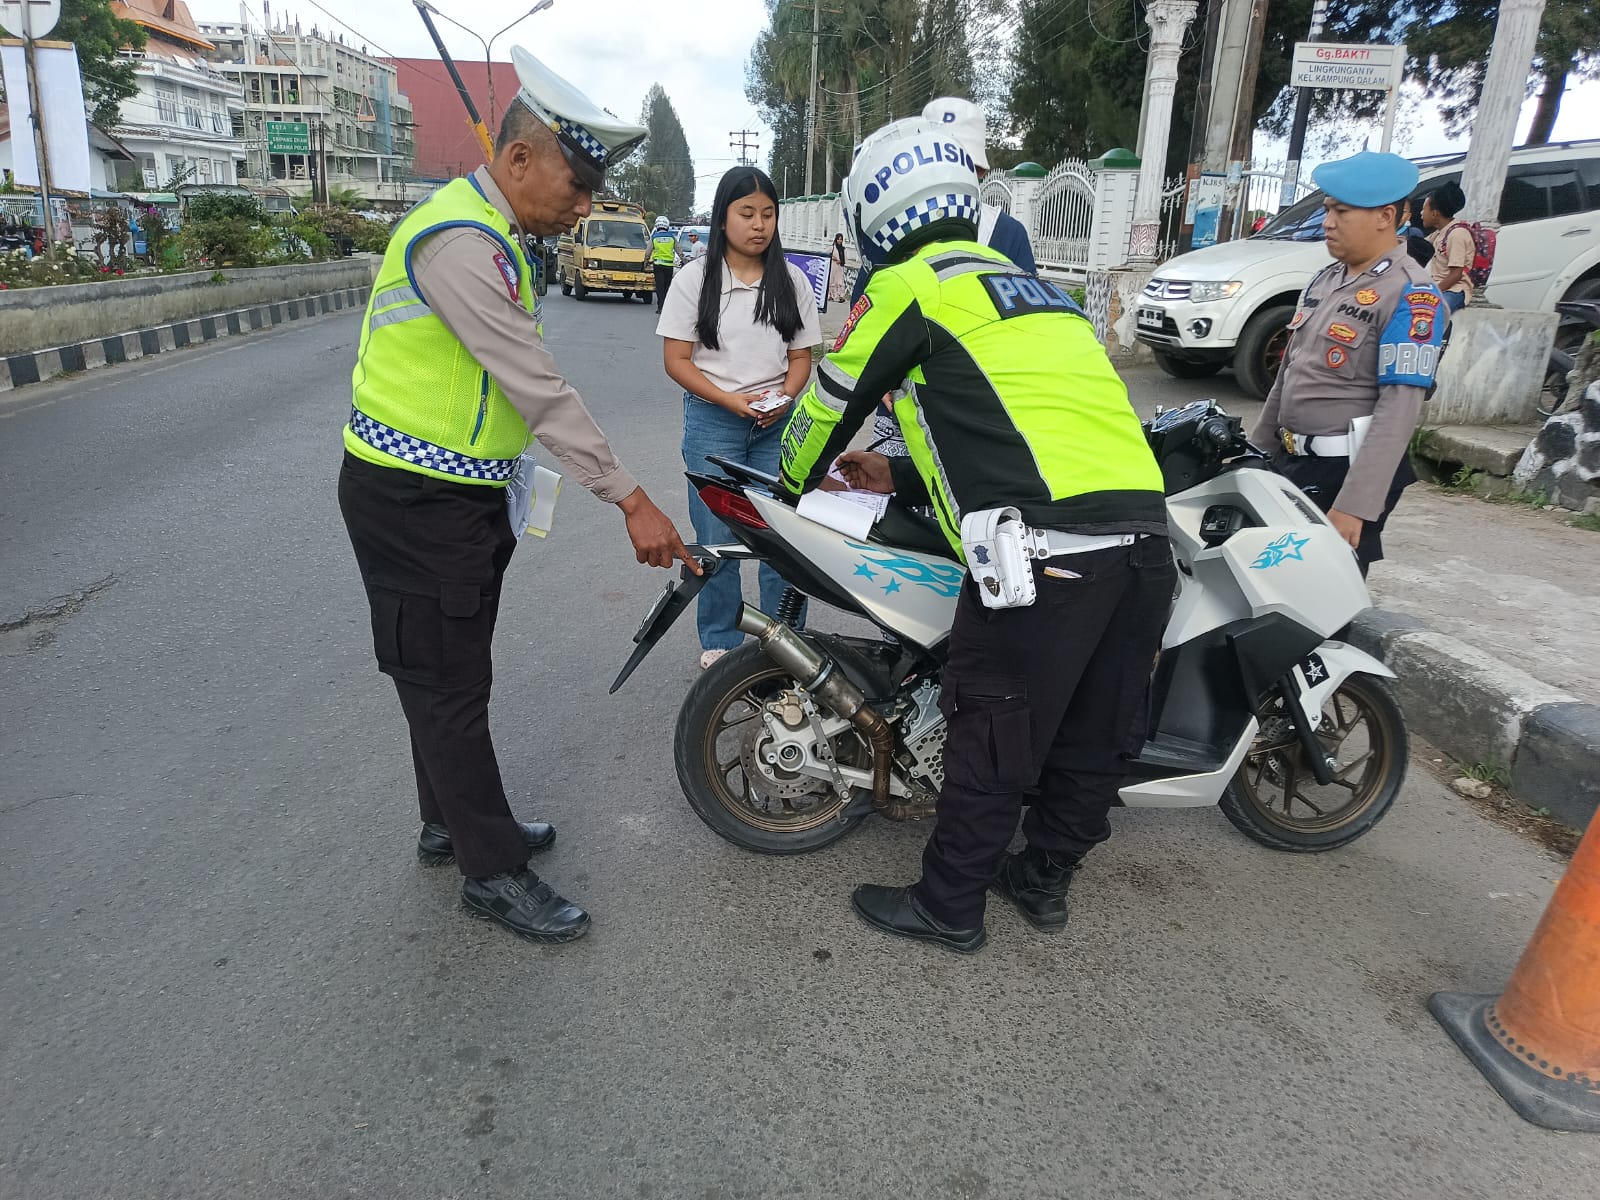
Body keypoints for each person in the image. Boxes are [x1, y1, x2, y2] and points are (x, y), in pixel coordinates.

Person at [779, 117, 1174, 953]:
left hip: (1044, 560)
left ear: (870, 216)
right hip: (1144, 542)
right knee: (1094, 733)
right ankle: (1043, 880)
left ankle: (949, 905)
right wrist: (906, 475)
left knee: (993, 727)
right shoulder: (1043, 293)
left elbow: (827, 405)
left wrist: (786, 485)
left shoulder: (910, 286)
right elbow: (1025, 435)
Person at [337, 46, 696, 946]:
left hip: (454, 498)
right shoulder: (459, 242)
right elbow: (538, 389)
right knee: (449, 682)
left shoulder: (490, 231)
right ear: (521, 158)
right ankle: (489, 870)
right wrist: (629, 497)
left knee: (445, 673)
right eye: (576, 187)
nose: (582, 207)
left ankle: (447, 823)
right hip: (415, 501)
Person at [1250, 151, 1449, 577]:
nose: (1328, 222)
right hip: (1291, 461)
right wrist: (1256, 454)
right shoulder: (1326, 280)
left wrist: (1354, 507)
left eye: (1341, 211)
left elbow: (1398, 410)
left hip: (1343, 471)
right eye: (1327, 210)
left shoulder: (1412, 296)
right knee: (1268, 586)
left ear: (1385, 216)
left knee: (1319, 597)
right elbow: (1288, 376)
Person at [659, 167, 821, 669]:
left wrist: (785, 398)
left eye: (768, 214)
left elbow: (801, 359)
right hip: (714, 422)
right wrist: (731, 401)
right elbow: (677, 361)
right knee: (719, 542)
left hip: (776, 428)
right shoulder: (694, 279)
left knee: (782, 541)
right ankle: (722, 646)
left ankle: (786, 647)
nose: (759, 225)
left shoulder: (791, 280)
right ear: (722, 218)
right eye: (747, 213)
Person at [1420, 180, 1473, 312]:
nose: (1421, 213)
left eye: (1423, 209)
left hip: (1454, 290)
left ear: (1435, 213)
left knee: (1435, 311)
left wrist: (1434, 293)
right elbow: (1420, 245)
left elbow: (1456, 274)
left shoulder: (1457, 234)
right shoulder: (1439, 234)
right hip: (1438, 286)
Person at [650, 215, 678, 313]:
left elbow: (648, 252)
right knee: (667, 286)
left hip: (658, 266)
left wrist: (645, 262)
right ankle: (666, 307)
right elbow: (679, 250)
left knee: (660, 287)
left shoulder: (654, 237)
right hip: (669, 266)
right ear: (667, 225)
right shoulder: (672, 237)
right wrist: (685, 261)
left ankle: (660, 307)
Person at [828, 232, 849, 304]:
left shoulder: (843, 249)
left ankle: (841, 296)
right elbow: (828, 255)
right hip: (833, 267)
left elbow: (845, 259)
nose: (840, 241)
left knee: (840, 281)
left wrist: (840, 261)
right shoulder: (832, 248)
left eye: (841, 239)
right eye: (838, 239)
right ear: (836, 239)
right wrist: (833, 258)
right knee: (832, 281)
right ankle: (831, 295)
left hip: (840, 267)